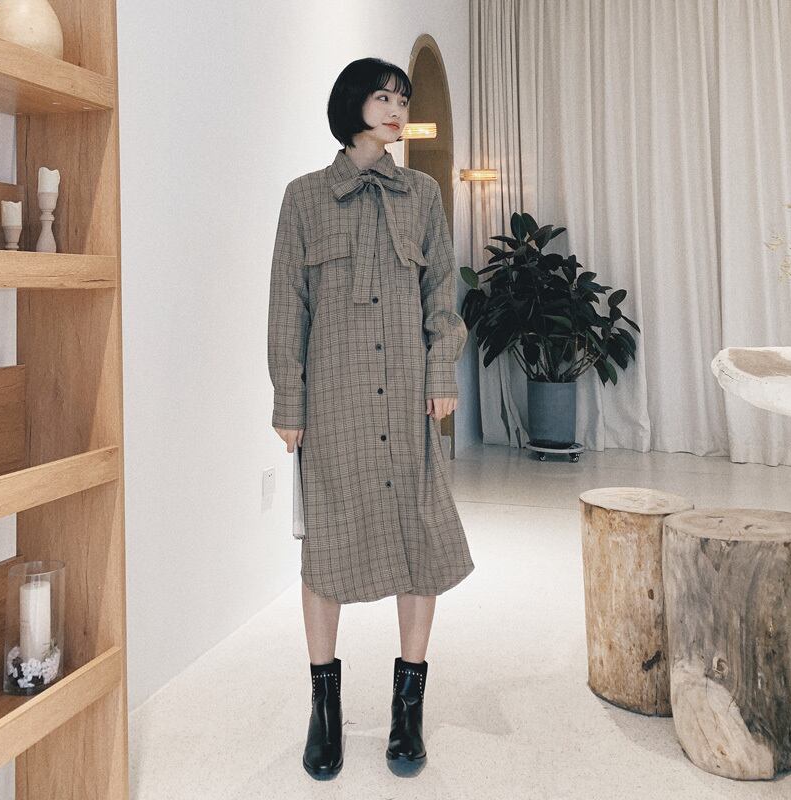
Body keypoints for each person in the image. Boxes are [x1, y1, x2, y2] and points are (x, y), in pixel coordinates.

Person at [267, 57, 475, 780]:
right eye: (383, 97)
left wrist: (442, 370)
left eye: (402, 100)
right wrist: (288, 400)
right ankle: (324, 710)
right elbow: (286, 307)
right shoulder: (304, 198)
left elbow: (441, 292)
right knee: (326, 549)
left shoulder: (421, 195)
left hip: (408, 397)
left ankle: (406, 712)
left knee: (419, 538)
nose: (396, 110)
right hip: (334, 403)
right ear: (353, 104)